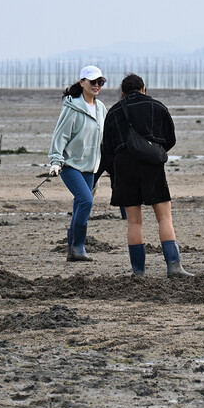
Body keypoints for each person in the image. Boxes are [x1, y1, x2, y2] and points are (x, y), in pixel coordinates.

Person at [101, 73, 192, 277]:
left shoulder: (114, 112)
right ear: (144, 88)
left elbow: (107, 147)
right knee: (164, 218)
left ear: (123, 93)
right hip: (151, 164)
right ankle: (174, 266)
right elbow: (170, 139)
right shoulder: (157, 106)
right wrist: (154, 150)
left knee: (134, 222)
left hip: (123, 165)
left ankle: (139, 272)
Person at [49, 66, 108, 262]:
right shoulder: (72, 106)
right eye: (93, 82)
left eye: (100, 82)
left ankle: (72, 251)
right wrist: (56, 161)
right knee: (86, 201)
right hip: (70, 165)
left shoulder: (100, 108)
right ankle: (78, 247)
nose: (97, 86)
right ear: (82, 82)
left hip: (91, 167)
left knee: (79, 203)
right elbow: (60, 135)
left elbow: (103, 139)